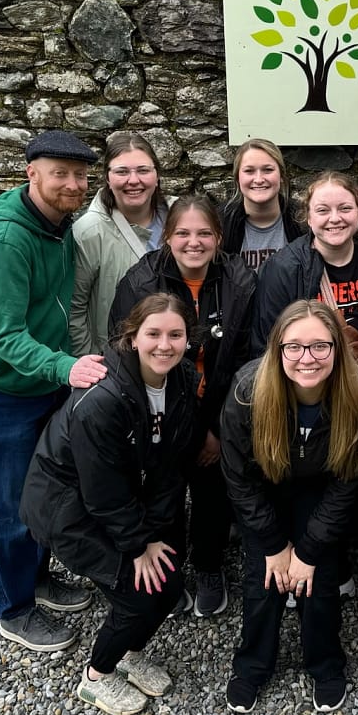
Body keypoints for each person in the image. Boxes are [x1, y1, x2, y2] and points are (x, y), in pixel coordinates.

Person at [0, 130, 106, 654]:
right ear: (32, 174)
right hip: (6, 390)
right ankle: (15, 608)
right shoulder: (6, 240)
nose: (73, 184)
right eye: (60, 173)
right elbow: (7, 338)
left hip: (40, 380)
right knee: (11, 502)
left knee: (43, 490)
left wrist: (58, 370)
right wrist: (67, 368)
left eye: (80, 174)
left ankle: (38, 578)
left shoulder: (57, 224)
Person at [20, 294, 196, 715]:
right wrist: (138, 545)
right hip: (70, 507)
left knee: (169, 584)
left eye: (176, 334)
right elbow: (101, 490)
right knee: (136, 597)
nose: (164, 345)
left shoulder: (184, 378)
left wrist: (160, 529)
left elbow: (175, 457)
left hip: (131, 498)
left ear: (189, 340)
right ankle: (97, 677)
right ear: (132, 338)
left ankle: (131, 653)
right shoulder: (102, 399)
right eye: (153, 334)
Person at [110, 195, 257, 619]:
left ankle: (210, 566)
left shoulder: (240, 281)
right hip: (160, 411)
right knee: (164, 493)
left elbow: (246, 359)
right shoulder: (140, 283)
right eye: (184, 234)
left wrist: (216, 427)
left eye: (204, 233)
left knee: (213, 491)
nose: (194, 243)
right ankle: (169, 571)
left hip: (216, 409)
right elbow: (122, 349)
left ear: (219, 237)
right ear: (167, 237)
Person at [220, 301, 358, 715]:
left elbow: (348, 482)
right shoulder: (247, 392)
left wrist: (306, 549)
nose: (307, 358)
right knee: (262, 579)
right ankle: (250, 665)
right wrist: (273, 544)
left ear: (337, 349)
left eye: (320, 346)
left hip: (321, 489)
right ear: (277, 348)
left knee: (316, 580)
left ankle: (325, 663)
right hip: (265, 488)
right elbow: (238, 479)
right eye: (295, 347)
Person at [251, 172, 358, 374]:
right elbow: (266, 346)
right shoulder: (282, 270)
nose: (335, 218)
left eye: (345, 208)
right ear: (309, 218)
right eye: (323, 210)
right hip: (305, 382)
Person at [70, 132, 174, 355]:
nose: (133, 180)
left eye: (143, 170)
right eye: (122, 172)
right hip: (116, 366)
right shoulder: (89, 233)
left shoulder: (182, 218)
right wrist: (94, 364)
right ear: (108, 178)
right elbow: (74, 311)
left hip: (175, 357)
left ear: (157, 175)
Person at [220, 138, 304, 274]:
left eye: (268, 170)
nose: (259, 179)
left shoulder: (303, 221)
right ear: (237, 178)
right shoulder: (220, 223)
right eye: (249, 171)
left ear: (281, 176)